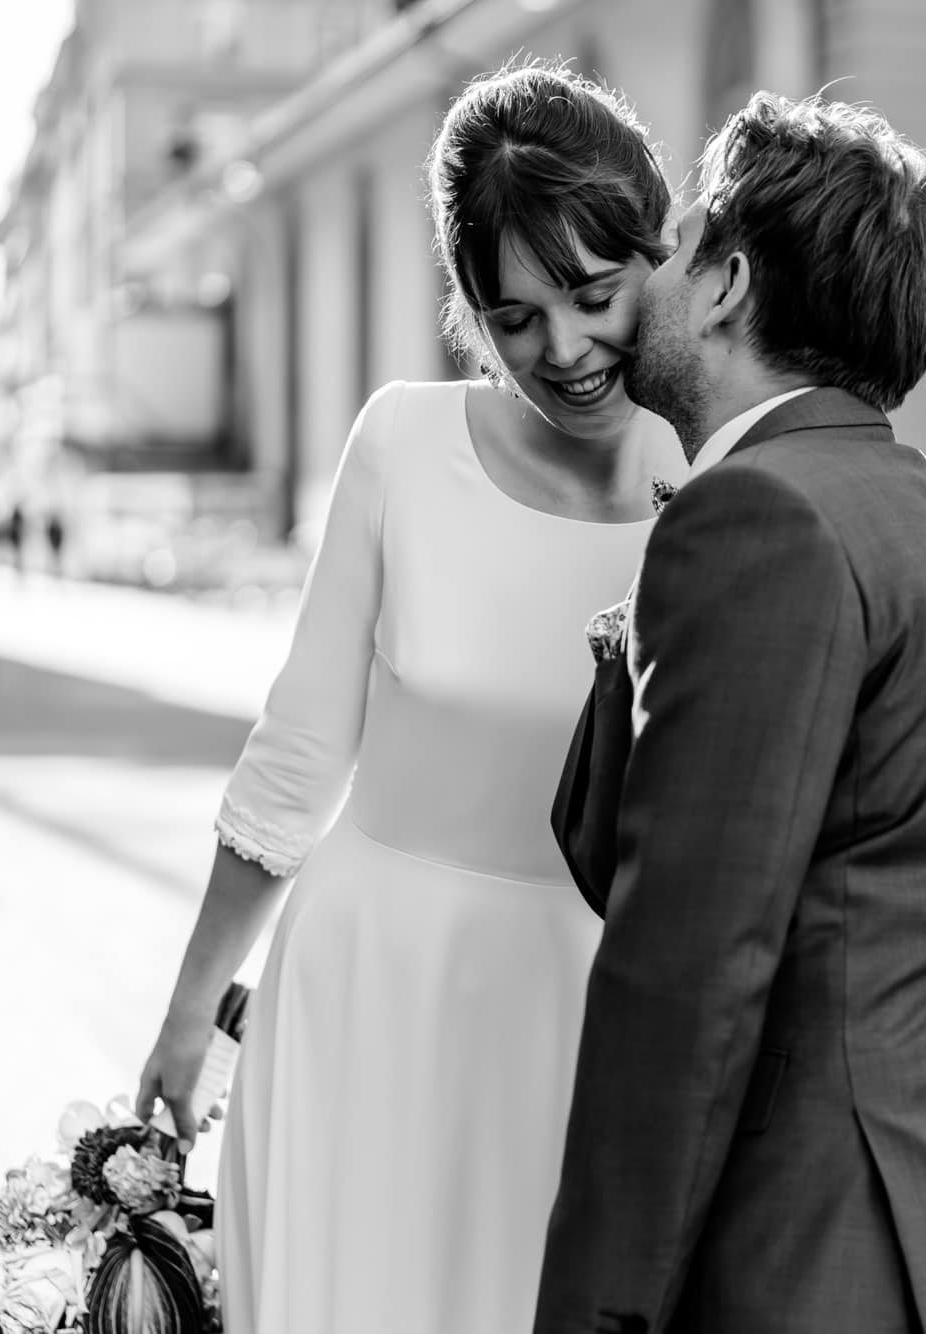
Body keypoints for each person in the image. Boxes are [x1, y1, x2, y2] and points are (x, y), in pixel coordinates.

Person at [132, 63, 685, 1333]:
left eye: (594, 297)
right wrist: (185, 1015)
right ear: (469, 310)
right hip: (364, 994)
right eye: (514, 315)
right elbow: (296, 752)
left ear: (661, 255)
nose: (563, 349)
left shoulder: (705, 472)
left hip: (579, 1017)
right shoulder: (401, 444)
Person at [539, 93, 926, 1334]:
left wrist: (595, 1311)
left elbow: (686, 971)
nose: (647, 266)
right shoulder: (915, 519)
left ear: (726, 283)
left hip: (803, 1257)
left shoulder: (758, 520)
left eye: (675, 234)